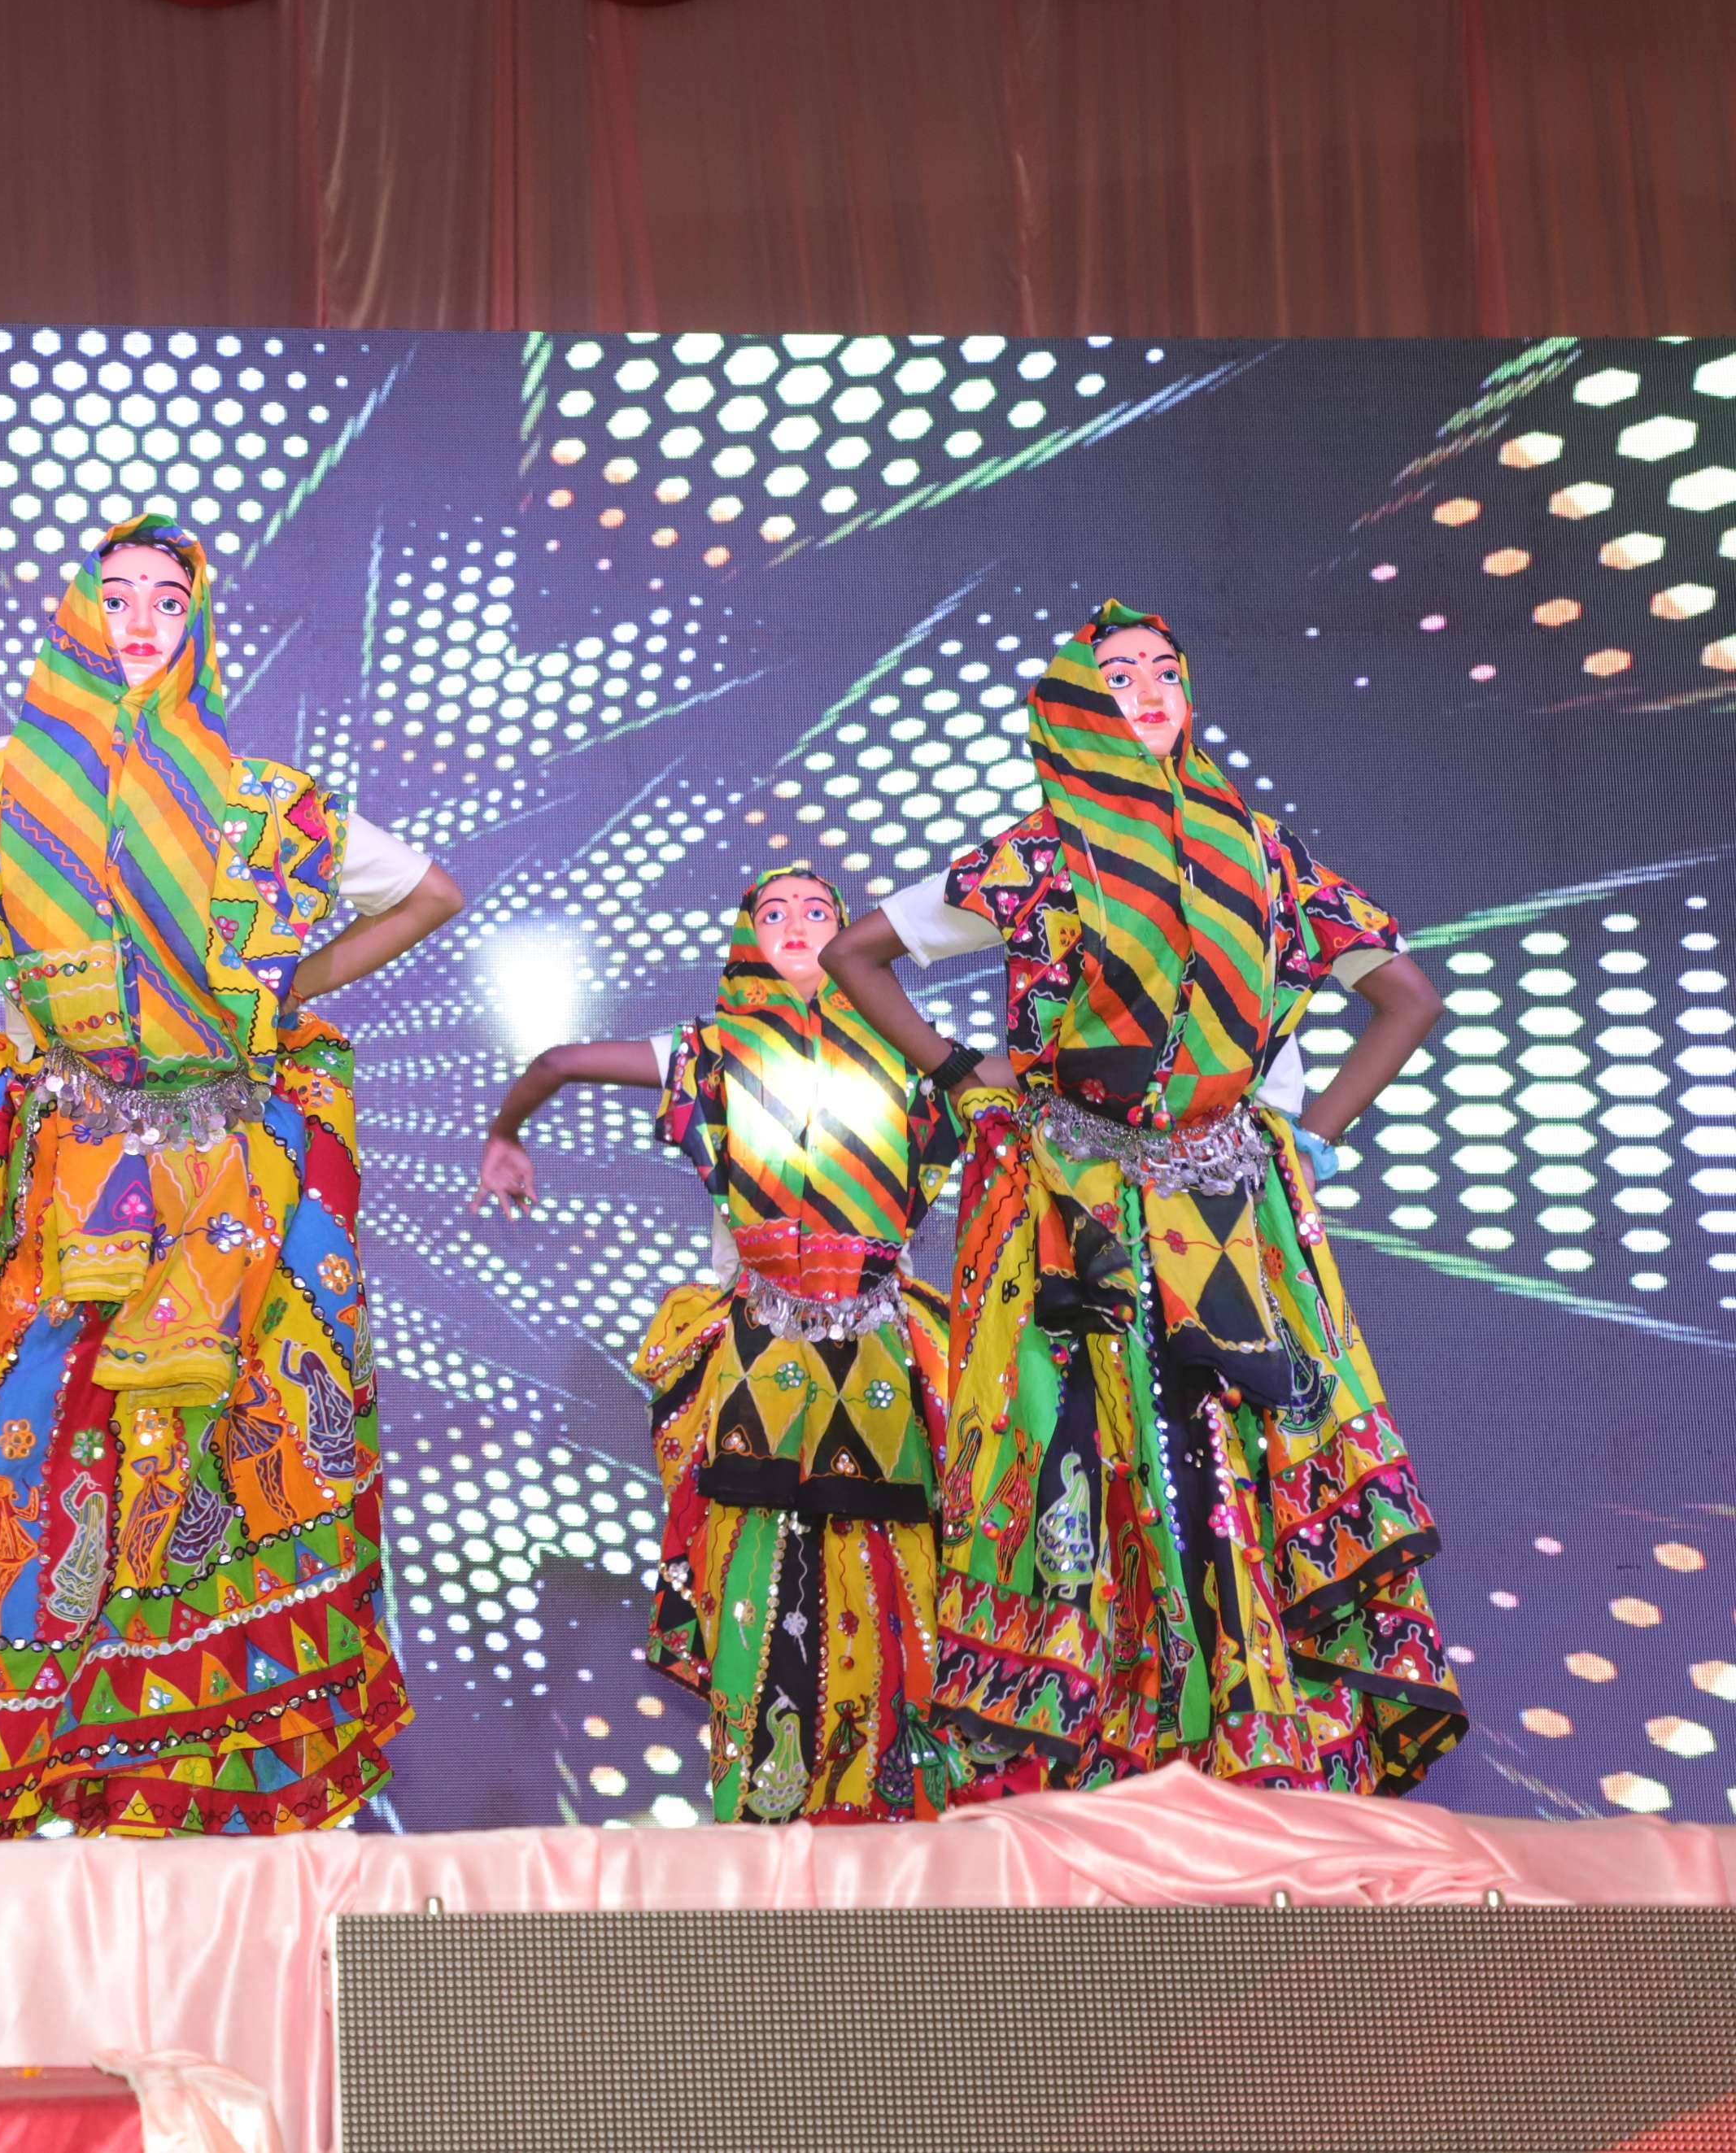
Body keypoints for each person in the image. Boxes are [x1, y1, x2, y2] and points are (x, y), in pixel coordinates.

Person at [0, 514, 464, 1840]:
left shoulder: (255, 794)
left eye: (169, 596)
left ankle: (205, 1794)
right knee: (33, 1469)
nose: (143, 618)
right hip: (70, 1196)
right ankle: (49, 1785)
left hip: (232, 1192)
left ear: (199, 623)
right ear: (75, 613)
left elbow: (429, 891)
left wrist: (284, 992)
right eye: (118, 594)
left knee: (240, 1460)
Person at [821, 601, 1466, 1797]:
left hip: (1212, 1208)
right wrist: (958, 1071)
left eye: (1166, 667)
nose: (1152, 688)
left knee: (1216, 1449)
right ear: (1072, 707)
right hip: (1084, 1209)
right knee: (1109, 1452)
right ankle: (1152, 1765)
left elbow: (1410, 998)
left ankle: (1236, 1754)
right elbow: (854, 952)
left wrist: (1312, 1140)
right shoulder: (1043, 855)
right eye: (1117, 675)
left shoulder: (1256, 852)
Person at [478, 864, 965, 1822]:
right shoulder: (704, 1049)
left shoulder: (906, 1048)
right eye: (772, 912)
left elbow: (1006, 1091)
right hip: (757, 1352)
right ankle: (762, 1806)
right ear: (746, 937)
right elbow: (558, 1061)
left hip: (879, 1351)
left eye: (817, 911)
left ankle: (896, 1808)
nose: (796, 925)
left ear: (852, 936)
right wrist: (507, 1135)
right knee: (754, 1566)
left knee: (895, 1568)